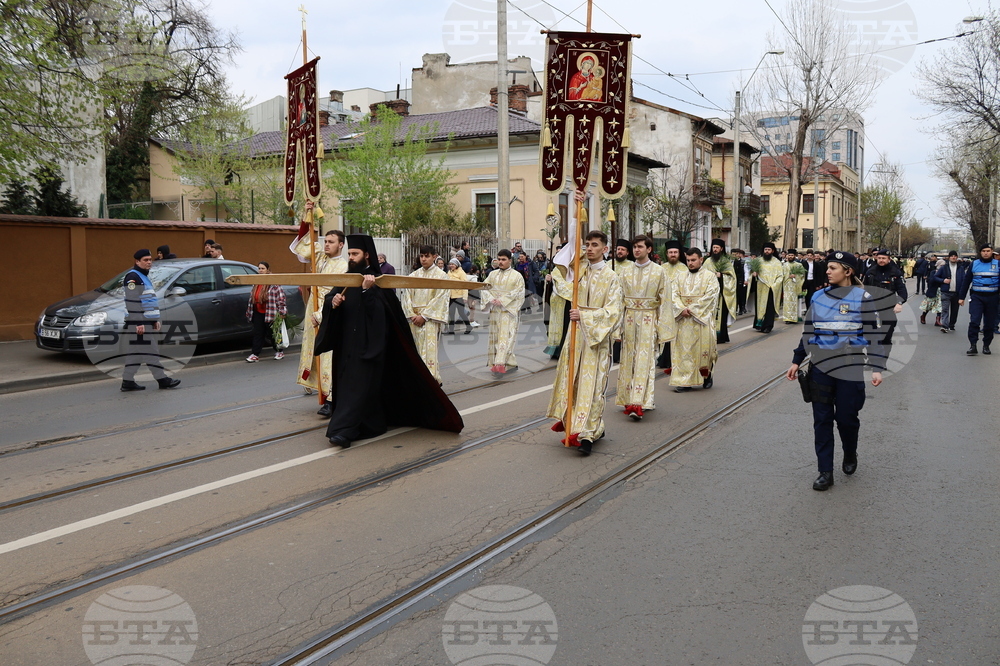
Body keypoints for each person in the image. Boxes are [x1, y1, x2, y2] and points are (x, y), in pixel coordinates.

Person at [313, 234, 464, 448]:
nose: (351, 258)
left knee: (360, 390)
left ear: (366, 255)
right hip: (346, 347)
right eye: (349, 254)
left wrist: (367, 291)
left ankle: (343, 431)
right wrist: (333, 303)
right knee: (348, 389)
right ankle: (363, 426)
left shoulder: (378, 281)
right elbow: (332, 302)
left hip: (368, 347)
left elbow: (383, 314)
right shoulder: (346, 278)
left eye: (355, 254)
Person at [785, 251, 886, 491]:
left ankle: (850, 452)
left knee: (846, 419)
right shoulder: (818, 296)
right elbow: (809, 331)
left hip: (849, 366)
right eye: (827, 267)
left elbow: (874, 335)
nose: (827, 271)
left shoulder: (863, 298)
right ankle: (825, 471)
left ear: (848, 271)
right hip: (820, 365)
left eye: (832, 268)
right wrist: (797, 360)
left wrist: (876, 367)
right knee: (822, 420)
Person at [547, 231, 624, 455]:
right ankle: (572, 423)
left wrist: (586, 317)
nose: (589, 248)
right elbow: (563, 285)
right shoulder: (578, 273)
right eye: (587, 244)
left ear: (605, 249)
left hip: (595, 340)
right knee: (574, 382)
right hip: (576, 336)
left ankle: (588, 433)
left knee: (593, 387)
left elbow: (614, 312)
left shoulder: (612, 277)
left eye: (594, 245)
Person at [291, 208, 348, 412]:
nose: (326, 244)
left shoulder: (343, 267)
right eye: (325, 241)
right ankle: (322, 393)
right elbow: (303, 243)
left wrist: (321, 315)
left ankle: (331, 399)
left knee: (328, 356)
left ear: (341, 245)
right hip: (312, 312)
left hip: (328, 315)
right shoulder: (320, 259)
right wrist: (307, 216)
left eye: (331, 242)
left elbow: (340, 297)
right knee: (314, 353)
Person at [615, 235, 673, 419]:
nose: (636, 250)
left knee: (644, 361)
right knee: (628, 360)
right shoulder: (625, 271)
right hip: (630, 320)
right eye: (634, 247)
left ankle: (641, 402)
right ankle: (627, 397)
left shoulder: (659, 272)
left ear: (649, 249)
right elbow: (618, 300)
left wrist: (662, 327)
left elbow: (666, 300)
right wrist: (617, 327)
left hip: (649, 320)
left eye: (640, 247)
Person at [120, 249, 181, 392]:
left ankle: (127, 382)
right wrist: (139, 323)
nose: (149, 262)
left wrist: (154, 320)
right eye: (145, 260)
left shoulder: (143, 276)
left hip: (145, 321)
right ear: (137, 261)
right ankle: (162, 380)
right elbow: (132, 301)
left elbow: (148, 301)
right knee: (151, 351)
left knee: (135, 354)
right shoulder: (133, 277)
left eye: (150, 259)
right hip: (139, 322)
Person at [670, 247, 720, 393]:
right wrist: (680, 309)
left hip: (701, 319)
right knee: (684, 351)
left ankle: (706, 376)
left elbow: (711, 295)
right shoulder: (679, 276)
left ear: (701, 260)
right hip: (683, 320)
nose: (690, 263)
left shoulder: (710, 277)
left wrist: (692, 310)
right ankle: (685, 380)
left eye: (693, 260)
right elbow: (673, 294)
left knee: (704, 351)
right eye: (688, 260)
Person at [400, 246, 450, 383]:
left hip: (430, 319)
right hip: (414, 319)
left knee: (429, 350)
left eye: (427, 256)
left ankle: (431, 380)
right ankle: (416, 380)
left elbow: (441, 298)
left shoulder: (442, 276)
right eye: (421, 256)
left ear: (434, 257)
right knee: (414, 350)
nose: (423, 259)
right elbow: (406, 296)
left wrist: (424, 316)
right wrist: (411, 315)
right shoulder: (413, 276)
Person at [484, 249, 525, 376]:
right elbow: (484, 288)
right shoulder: (492, 274)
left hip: (508, 311)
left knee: (507, 338)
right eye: (499, 259)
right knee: (496, 338)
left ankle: (501, 365)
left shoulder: (517, 276)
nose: (500, 262)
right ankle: (508, 362)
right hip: (495, 311)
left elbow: (519, 292)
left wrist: (502, 300)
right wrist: (491, 299)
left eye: (503, 259)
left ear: (510, 260)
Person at [958, 243, 1000, 355]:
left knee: (989, 324)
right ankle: (973, 345)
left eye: (988, 251)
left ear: (992, 252)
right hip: (977, 297)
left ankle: (986, 345)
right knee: (974, 321)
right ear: (980, 252)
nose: (986, 253)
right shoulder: (974, 264)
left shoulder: (998, 264)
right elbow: (966, 281)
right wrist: (961, 297)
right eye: (983, 251)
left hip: (993, 297)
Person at [862, 248, 907, 350]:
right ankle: (873, 362)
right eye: (879, 258)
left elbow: (903, 292)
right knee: (871, 339)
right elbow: (864, 291)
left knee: (886, 339)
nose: (881, 260)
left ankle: (882, 362)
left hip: (888, 310)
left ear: (889, 259)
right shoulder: (870, 272)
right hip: (872, 310)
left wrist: (899, 303)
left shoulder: (895, 273)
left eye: (884, 258)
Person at [245, 261, 287, 362]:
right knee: (258, 333)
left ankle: (279, 351)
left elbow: (281, 298)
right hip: (258, 312)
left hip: (270, 313)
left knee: (273, 333)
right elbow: (252, 297)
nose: (260, 270)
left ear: (267, 270)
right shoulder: (256, 282)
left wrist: (282, 312)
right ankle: (255, 354)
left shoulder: (273, 283)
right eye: (259, 268)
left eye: (263, 268)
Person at [657, 240, 687, 371]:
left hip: (678, 307)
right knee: (664, 332)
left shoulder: (684, 268)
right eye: (670, 252)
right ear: (667, 254)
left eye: (675, 252)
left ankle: (675, 359)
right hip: (663, 306)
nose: (673, 255)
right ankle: (664, 359)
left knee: (676, 334)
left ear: (679, 253)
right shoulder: (661, 268)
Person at [703, 239, 736, 344]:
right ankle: (710, 336)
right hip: (710, 294)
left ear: (721, 249)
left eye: (717, 248)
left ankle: (721, 336)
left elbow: (732, 278)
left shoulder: (726, 262)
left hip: (722, 294)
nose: (715, 249)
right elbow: (702, 275)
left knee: (721, 317)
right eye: (713, 247)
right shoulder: (708, 261)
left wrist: (721, 276)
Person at [752, 242, 784, 333]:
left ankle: (768, 326)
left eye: (769, 250)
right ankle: (759, 324)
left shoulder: (776, 262)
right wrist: (754, 274)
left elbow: (780, 276)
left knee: (769, 308)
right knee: (759, 306)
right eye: (765, 249)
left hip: (771, 289)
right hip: (760, 288)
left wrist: (774, 285)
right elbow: (752, 273)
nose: (767, 251)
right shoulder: (758, 261)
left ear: (772, 251)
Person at [935, 250, 966, 333]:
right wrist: (943, 280)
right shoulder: (944, 267)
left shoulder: (960, 268)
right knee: (945, 310)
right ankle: (944, 325)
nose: (953, 257)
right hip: (946, 292)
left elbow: (964, 280)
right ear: (949, 258)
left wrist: (962, 294)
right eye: (951, 256)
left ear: (957, 257)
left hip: (957, 292)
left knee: (955, 310)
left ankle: (952, 325)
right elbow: (935, 277)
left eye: (955, 256)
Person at [445, 258, 473, 335]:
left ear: (457, 265)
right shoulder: (449, 272)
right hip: (451, 296)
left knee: (461, 313)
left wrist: (465, 297)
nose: (451, 266)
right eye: (450, 264)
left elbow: (465, 285)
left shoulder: (461, 273)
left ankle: (468, 326)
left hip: (459, 296)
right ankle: (451, 329)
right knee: (451, 313)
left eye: (453, 264)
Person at [918, 255, 943, 327]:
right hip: (932, 291)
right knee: (928, 305)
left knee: (939, 305)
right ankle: (923, 316)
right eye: (941, 265)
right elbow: (930, 281)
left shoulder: (945, 273)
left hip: (940, 291)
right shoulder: (933, 272)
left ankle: (937, 320)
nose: (942, 267)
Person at [782, 249, 804, 324]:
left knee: (794, 302)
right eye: (789, 255)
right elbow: (781, 275)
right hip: (787, 286)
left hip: (795, 286)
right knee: (787, 302)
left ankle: (794, 318)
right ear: (787, 256)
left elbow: (802, 275)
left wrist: (795, 276)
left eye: (792, 255)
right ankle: (787, 318)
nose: (790, 256)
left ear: (795, 256)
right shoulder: (784, 265)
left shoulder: (799, 265)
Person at [733, 249, 748, 315]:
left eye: (735, 254)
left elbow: (746, 271)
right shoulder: (731, 262)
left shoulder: (743, 262)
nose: (734, 256)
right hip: (734, 280)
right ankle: (735, 308)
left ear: (738, 255)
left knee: (741, 295)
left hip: (740, 279)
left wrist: (746, 280)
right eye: (733, 254)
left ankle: (741, 308)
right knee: (734, 295)